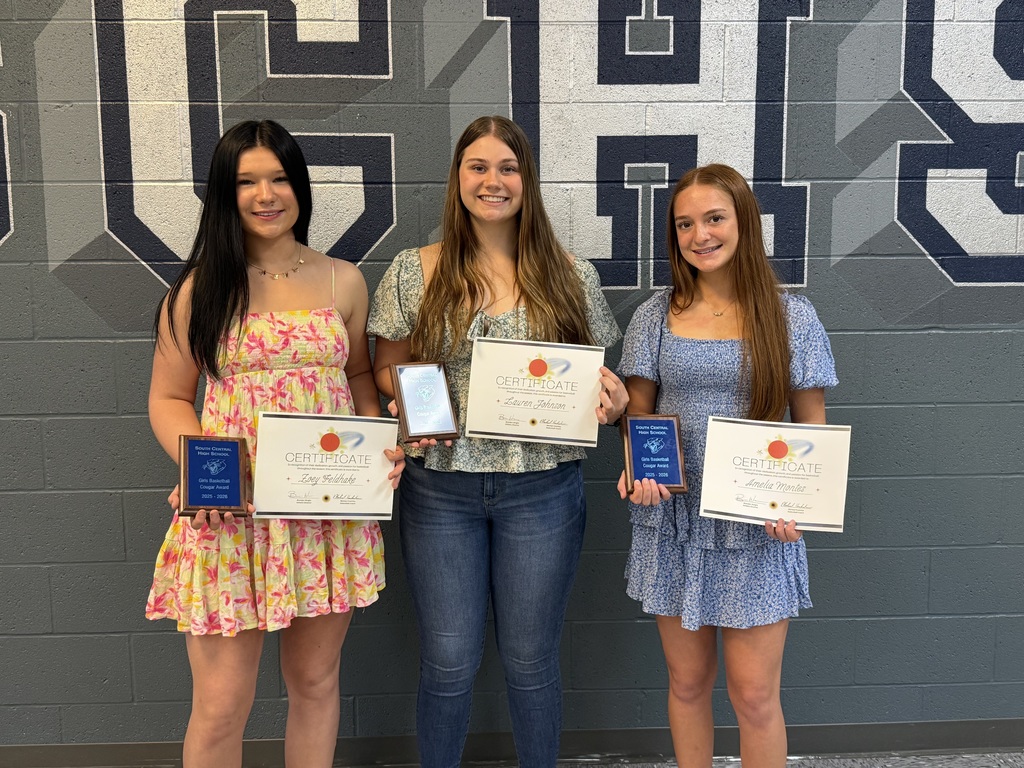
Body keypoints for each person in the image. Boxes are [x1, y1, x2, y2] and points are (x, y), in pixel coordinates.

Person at [368, 115, 627, 768]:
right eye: (478, 167)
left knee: (531, 659)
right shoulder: (414, 271)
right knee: (449, 660)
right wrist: (405, 394)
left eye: (508, 168)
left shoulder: (569, 274)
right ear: (458, 179)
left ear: (526, 181)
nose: (493, 180)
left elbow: (594, 377)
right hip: (439, 489)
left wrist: (612, 397)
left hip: (542, 490)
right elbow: (383, 365)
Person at [145, 119, 403, 768]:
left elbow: (356, 377)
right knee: (222, 703)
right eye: (247, 181)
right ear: (224, 194)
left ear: (300, 187)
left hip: (323, 512)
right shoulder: (199, 291)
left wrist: (377, 448)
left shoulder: (344, 281)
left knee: (315, 685)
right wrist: (207, 467)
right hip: (230, 513)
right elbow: (169, 398)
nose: (266, 194)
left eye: (280, 178)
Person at [617, 164, 837, 767]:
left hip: (756, 530)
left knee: (755, 696)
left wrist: (797, 503)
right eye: (685, 223)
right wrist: (637, 467)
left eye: (714, 218)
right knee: (687, 685)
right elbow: (638, 413)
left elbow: (810, 427)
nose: (700, 235)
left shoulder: (792, 318)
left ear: (744, 222)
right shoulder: (653, 316)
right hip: (675, 523)